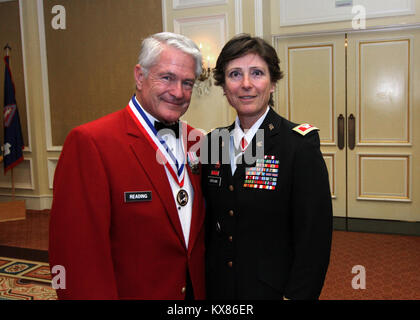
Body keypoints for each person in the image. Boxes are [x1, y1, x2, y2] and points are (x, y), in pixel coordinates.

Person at [49, 32, 206, 300]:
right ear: (139, 76)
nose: (178, 92)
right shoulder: (91, 142)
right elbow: (76, 253)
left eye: (187, 82)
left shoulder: (199, 141)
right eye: (167, 77)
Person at [201, 34, 333, 300]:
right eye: (235, 74)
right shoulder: (213, 141)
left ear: (273, 84)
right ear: (224, 87)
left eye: (257, 73)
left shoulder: (297, 145)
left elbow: (313, 239)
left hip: (271, 291)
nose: (246, 84)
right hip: (220, 289)